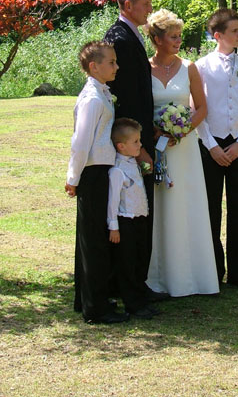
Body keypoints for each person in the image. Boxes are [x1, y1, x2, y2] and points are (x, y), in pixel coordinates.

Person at [144, 8, 219, 297]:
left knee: (184, 206)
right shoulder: (143, 67)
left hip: (183, 149)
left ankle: (191, 278)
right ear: (157, 38)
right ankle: (156, 278)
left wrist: (181, 131)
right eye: (173, 36)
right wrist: (155, 133)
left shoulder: (189, 67)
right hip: (154, 147)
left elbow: (201, 108)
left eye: (179, 36)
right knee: (159, 207)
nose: (178, 41)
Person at [104, 0, 168, 302]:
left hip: (139, 140)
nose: (149, 10)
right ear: (127, 5)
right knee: (131, 218)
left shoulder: (132, 35)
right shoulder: (121, 39)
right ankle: (127, 286)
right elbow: (126, 98)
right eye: (145, 4)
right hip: (129, 146)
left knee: (141, 216)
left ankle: (136, 283)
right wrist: (139, 146)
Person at [195, 8, 238, 291]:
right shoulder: (201, 67)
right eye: (235, 31)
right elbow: (195, 108)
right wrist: (211, 146)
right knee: (210, 210)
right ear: (217, 35)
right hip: (210, 147)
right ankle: (213, 270)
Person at [65, 41, 129, 324]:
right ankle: (95, 308)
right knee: (93, 239)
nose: (116, 67)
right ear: (94, 66)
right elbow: (81, 142)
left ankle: (87, 297)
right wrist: (73, 177)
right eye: (111, 62)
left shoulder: (102, 93)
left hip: (102, 169)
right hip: (92, 172)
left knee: (94, 236)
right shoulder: (92, 98)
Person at [107, 118, 160, 319]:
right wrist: (114, 227)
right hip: (125, 220)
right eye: (136, 142)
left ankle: (141, 298)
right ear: (121, 146)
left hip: (139, 218)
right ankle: (132, 303)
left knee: (139, 258)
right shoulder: (117, 170)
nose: (140, 145)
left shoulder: (133, 163)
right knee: (127, 262)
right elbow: (113, 201)